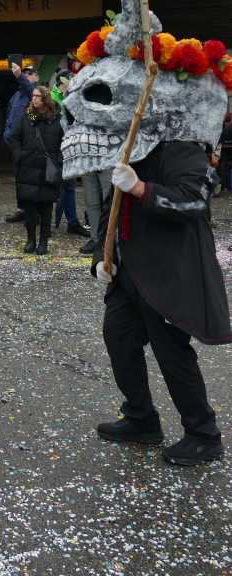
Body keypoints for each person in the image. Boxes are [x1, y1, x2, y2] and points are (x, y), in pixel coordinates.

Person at [94, 144, 230, 464]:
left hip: (168, 273)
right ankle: (141, 418)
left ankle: (203, 435)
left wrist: (140, 188)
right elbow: (109, 209)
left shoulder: (182, 150)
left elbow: (195, 201)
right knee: (119, 339)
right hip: (129, 274)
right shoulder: (129, 151)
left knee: (172, 355)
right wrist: (103, 256)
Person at [9, 85, 63, 255]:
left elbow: (65, 142)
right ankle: (30, 239)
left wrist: (59, 160)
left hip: (49, 169)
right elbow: (15, 137)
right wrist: (19, 156)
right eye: (33, 96)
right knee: (30, 206)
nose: (34, 99)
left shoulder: (57, 118)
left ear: (46, 99)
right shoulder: (26, 116)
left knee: (47, 206)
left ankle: (43, 242)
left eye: (38, 96)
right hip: (28, 167)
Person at [50, 69, 90, 238]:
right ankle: (48, 222)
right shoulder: (52, 99)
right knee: (54, 188)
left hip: (71, 148)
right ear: (64, 81)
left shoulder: (74, 96)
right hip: (56, 150)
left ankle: (72, 222)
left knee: (70, 187)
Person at [2, 64, 39, 218]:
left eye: (30, 74)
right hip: (16, 145)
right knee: (19, 178)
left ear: (37, 78)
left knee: (32, 179)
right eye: (25, 73)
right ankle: (22, 210)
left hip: (31, 146)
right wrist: (7, 134)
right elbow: (9, 118)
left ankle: (35, 212)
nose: (27, 76)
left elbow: (31, 90)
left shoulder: (37, 93)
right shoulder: (16, 96)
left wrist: (19, 77)